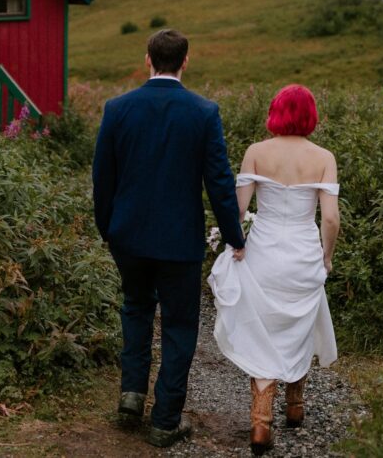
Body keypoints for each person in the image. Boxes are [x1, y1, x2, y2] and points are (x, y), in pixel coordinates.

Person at [92, 29, 246, 448]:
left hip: (128, 235)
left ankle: (131, 394)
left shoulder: (118, 108)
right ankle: (164, 420)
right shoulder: (203, 112)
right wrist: (235, 236)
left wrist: (107, 227)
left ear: (148, 59)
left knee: (136, 309)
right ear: (185, 61)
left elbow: (102, 177)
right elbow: (218, 180)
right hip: (179, 241)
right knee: (179, 325)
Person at [207, 84, 340, 455]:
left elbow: (237, 207)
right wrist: (326, 256)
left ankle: (261, 420)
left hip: (264, 250)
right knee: (300, 321)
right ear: (311, 115)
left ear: (275, 113)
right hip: (302, 251)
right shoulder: (323, 157)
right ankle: (294, 406)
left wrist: (236, 242)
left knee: (265, 326)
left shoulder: (256, 152)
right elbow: (329, 218)